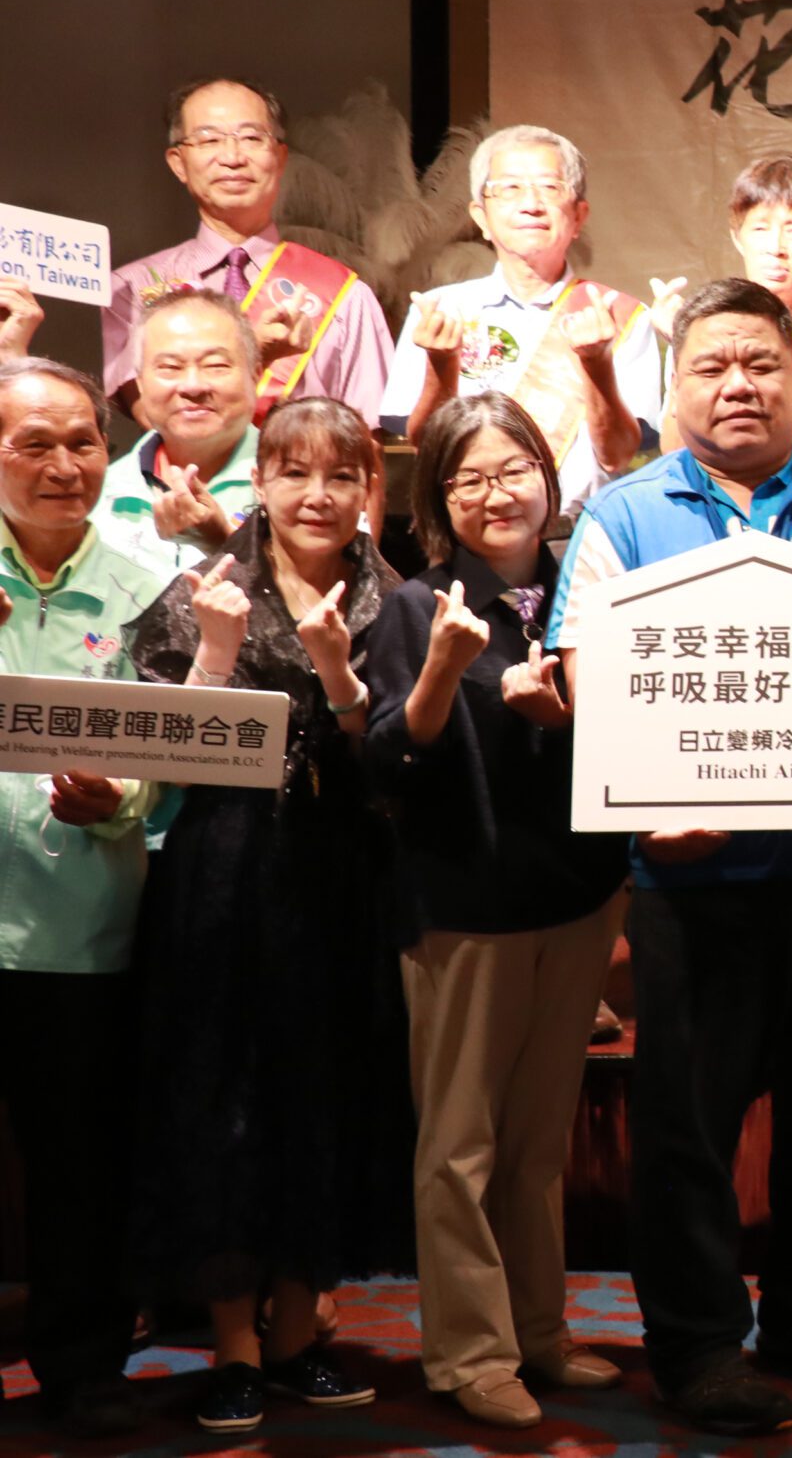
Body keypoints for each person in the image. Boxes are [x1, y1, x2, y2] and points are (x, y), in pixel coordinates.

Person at [548, 277, 792, 1436]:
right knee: (688, 1126)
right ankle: (696, 1345)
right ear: (672, 386)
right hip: (694, 881)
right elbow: (583, 666)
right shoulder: (626, 511)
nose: (739, 385)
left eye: (761, 363)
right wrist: (641, 807)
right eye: (713, 366)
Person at [126, 396, 410, 1436]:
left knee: (331, 1092)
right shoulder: (206, 587)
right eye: (294, 472)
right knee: (226, 1100)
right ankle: (234, 1350)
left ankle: (296, 1338)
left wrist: (342, 677)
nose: (316, 495)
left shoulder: (401, 600)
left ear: (370, 488)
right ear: (261, 481)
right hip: (225, 871)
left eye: (340, 475)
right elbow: (156, 755)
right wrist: (213, 652)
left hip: (348, 875)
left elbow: (402, 760)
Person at [364, 393, 632, 1429]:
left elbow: (631, 747)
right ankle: (470, 1354)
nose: (495, 493)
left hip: (576, 897)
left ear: (547, 478)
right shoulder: (415, 604)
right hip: (463, 905)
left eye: (513, 469)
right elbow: (390, 759)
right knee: (460, 1145)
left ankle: (540, 1333)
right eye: (467, 478)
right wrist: (442, 665)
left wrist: (561, 723)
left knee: (537, 1140)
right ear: (437, 501)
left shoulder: (589, 596)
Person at [0, 358, 165, 1440]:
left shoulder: (149, 589)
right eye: (34, 444)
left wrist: (121, 799)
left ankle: (83, 1366)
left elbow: (171, 755)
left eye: (84, 442)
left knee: (79, 1166)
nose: (65, 464)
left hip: (82, 925)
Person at [383, 124, 663, 516]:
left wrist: (596, 364)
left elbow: (617, 456)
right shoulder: (438, 310)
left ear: (578, 215)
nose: (531, 203)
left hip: (575, 532)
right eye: (510, 188)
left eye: (549, 187)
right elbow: (426, 447)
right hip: (468, 525)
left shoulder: (619, 315)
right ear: (481, 217)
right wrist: (441, 365)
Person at [101, 78, 396, 420]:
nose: (232, 157)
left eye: (252, 138)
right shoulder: (130, 290)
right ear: (178, 163)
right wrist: (252, 353)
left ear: (280, 158)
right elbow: (158, 421)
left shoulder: (346, 296)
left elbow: (367, 438)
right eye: (209, 139)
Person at [94, 289, 263, 582]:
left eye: (216, 365)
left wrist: (220, 542)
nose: (193, 386)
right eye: (170, 367)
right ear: (140, 383)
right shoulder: (97, 494)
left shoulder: (296, 484)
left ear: (255, 375)